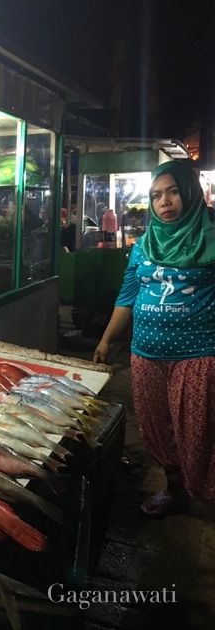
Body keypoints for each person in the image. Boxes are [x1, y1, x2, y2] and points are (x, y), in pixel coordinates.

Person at [93, 160, 215, 517]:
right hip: (146, 354)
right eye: (157, 195)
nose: (165, 201)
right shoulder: (144, 245)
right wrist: (106, 341)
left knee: (198, 430)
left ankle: (205, 491)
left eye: (173, 191)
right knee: (158, 428)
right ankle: (175, 491)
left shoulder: (211, 240)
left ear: (190, 192)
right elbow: (128, 295)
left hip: (199, 353)